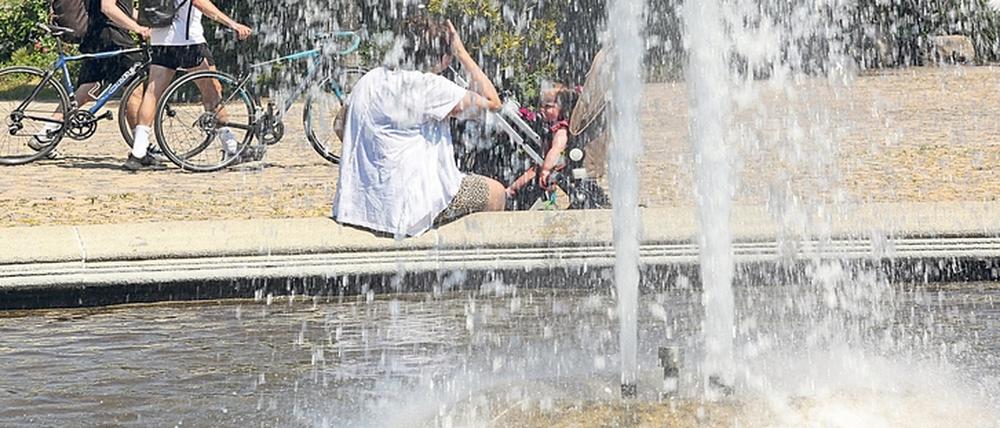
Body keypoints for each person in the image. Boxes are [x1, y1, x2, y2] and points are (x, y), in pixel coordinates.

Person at [332, 16, 506, 238]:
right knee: (496, 192)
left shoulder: (370, 79)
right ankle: (478, 269)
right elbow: (493, 104)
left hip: (357, 207)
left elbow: (339, 126)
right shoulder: (429, 86)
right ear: (444, 60)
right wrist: (461, 53)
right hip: (408, 212)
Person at [123, 0, 251, 171]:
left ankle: (138, 153)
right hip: (188, 40)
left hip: (160, 39)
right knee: (212, 92)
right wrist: (232, 23)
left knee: (152, 94)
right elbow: (199, 2)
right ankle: (231, 147)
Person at [32, 0, 151, 158]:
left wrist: (152, 21)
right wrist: (137, 28)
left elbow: (125, 9)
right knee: (134, 89)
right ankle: (141, 146)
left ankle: (45, 134)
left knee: (87, 89)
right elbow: (108, 8)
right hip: (112, 35)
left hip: (96, 35)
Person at [505, 83, 576, 208]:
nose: (542, 110)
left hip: (558, 164)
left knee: (535, 171)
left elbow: (557, 148)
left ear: (563, 107)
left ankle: (510, 191)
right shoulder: (550, 125)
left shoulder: (561, 128)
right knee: (533, 170)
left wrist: (547, 169)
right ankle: (511, 190)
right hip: (546, 162)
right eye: (541, 106)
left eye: (548, 106)